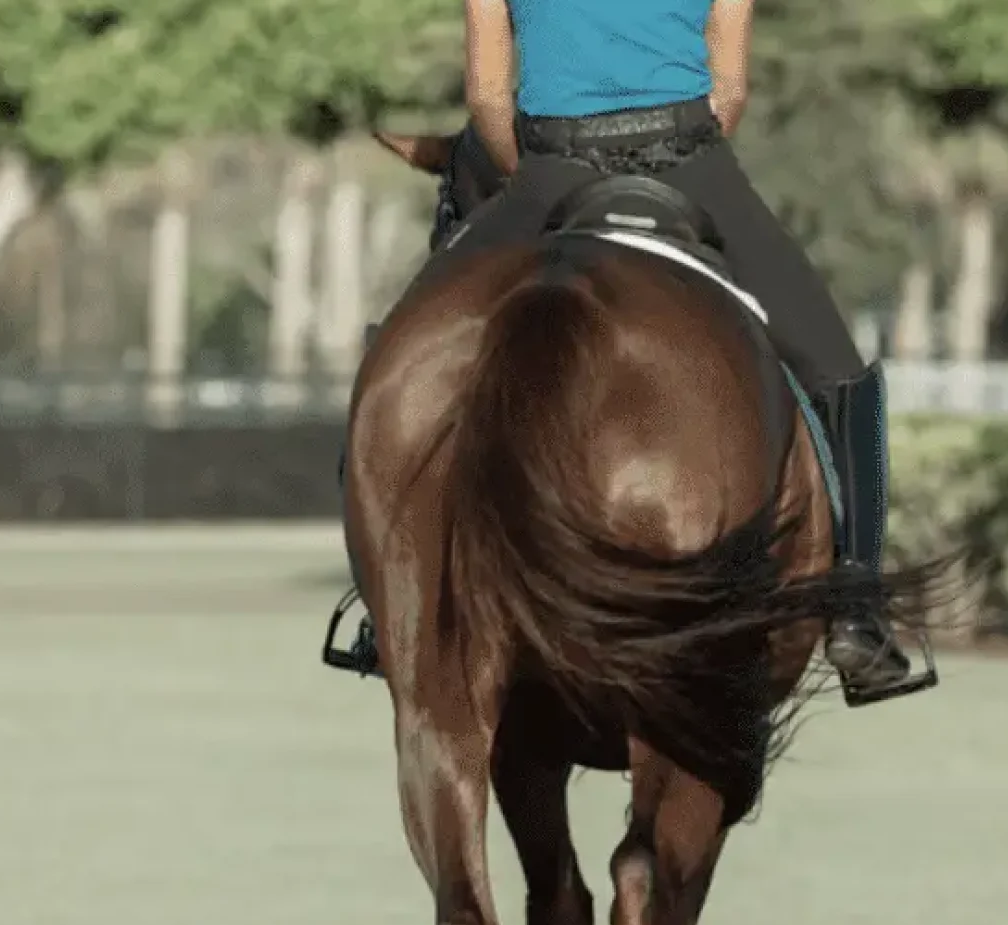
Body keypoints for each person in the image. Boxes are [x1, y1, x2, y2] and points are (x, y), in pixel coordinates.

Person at [335, 0, 911, 697]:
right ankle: (857, 615)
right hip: (689, 159)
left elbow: (488, 98)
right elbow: (729, 91)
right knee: (839, 371)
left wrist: (546, 173)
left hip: (550, 166)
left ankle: (389, 604)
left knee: (399, 358)